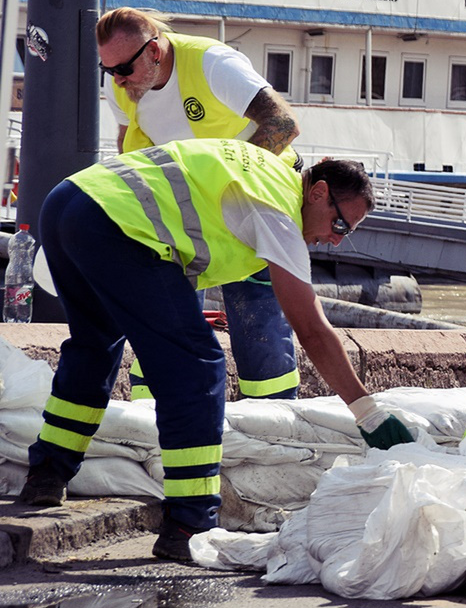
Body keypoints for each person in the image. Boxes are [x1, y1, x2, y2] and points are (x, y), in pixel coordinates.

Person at [15, 139, 413, 561]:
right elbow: (311, 329)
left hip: (67, 203)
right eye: (340, 226)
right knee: (198, 368)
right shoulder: (277, 206)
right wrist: (368, 415)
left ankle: (46, 474)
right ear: (317, 194)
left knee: (95, 343)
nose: (336, 242)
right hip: (117, 225)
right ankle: (191, 524)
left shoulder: (263, 171)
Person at [96, 7, 303, 401]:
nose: (118, 81)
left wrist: (226, 185)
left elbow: (282, 124)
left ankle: (275, 424)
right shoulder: (123, 87)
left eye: (124, 68)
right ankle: (156, 423)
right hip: (190, 210)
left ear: (154, 51)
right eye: (109, 71)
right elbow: (129, 147)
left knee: (256, 316)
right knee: (165, 315)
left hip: (254, 202)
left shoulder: (213, 63)